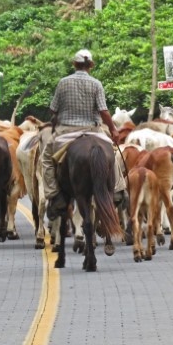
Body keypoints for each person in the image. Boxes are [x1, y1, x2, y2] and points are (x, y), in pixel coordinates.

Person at [41, 49, 123, 219]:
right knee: (112, 153)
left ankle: (55, 195)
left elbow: (53, 109)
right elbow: (104, 111)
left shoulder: (63, 83)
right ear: (90, 65)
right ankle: (116, 190)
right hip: (93, 130)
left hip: (66, 131)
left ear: (74, 64)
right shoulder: (96, 84)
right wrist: (113, 130)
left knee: (47, 159)